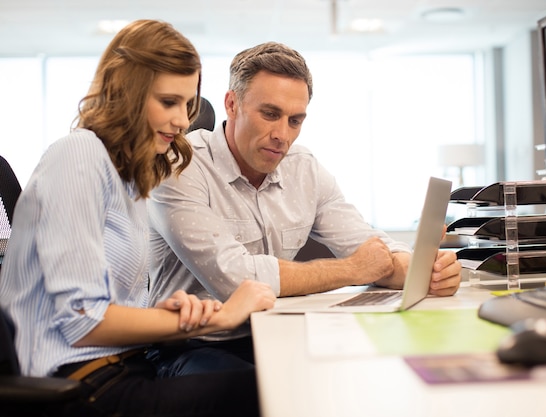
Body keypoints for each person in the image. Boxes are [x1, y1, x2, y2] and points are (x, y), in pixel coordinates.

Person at [0, 20, 275, 417]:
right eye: (169, 102)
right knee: (275, 388)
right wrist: (219, 318)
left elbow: (102, 302)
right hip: (80, 383)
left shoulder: (127, 177)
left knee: (271, 373)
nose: (183, 120)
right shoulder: (78, 155)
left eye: (188, 104)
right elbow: (84, 323)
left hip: (124, 366)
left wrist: (163, 312)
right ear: (126, 95)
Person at [147, 41, 462, 354]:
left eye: (295, 120)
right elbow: (237, 279)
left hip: (279, 332)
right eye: (270, 114)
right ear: (232, 104)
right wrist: (353, 270)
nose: (283, 135)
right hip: (197, 344)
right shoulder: (180, 166)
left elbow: (368, 247)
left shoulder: (304, 168)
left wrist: (420, 272)